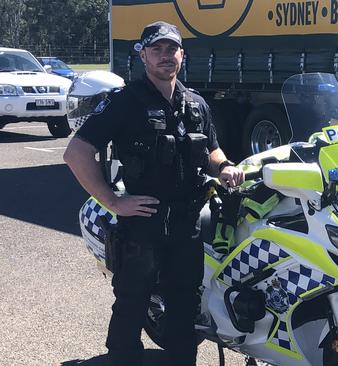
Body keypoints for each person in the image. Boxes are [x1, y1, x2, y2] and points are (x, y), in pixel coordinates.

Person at [64, 21, 244, 366]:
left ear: (182, 55)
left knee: (183, 306)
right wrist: (113, 201)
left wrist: (224, 168)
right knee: (133, 303)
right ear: (143, 55)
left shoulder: (195, 104)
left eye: (171, 49)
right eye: (157, 49)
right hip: (143, 225)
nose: (165, 56)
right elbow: (76, 153)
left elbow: (213, 150)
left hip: (187, 224)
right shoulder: (124, 102)